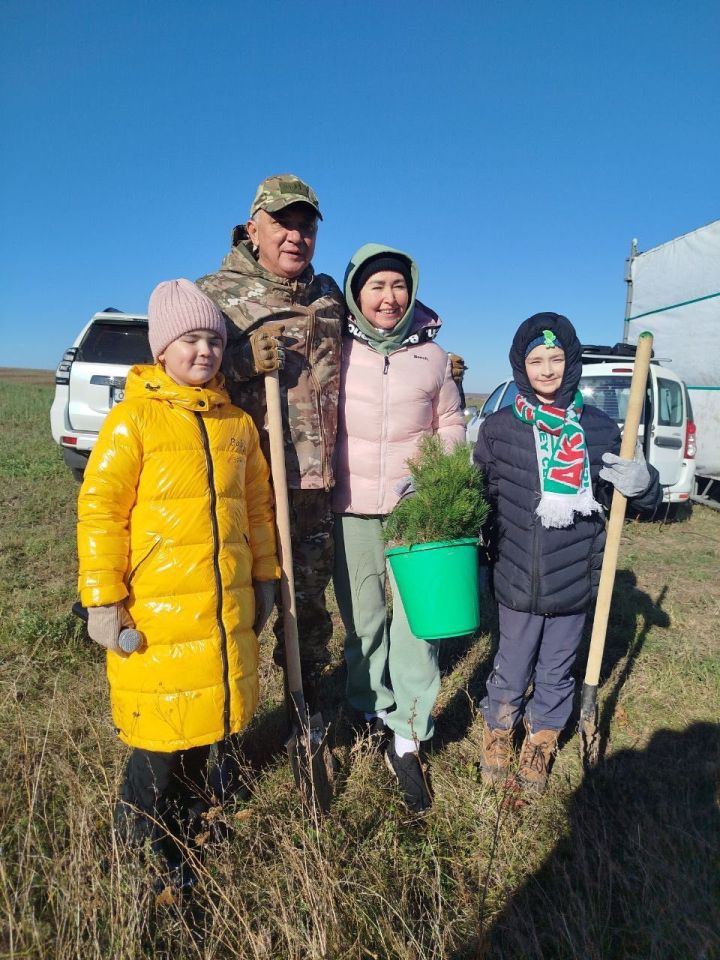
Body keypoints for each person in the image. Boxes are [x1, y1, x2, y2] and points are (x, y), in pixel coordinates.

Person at [77, 279, 279, 888]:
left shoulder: (237, 425)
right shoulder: (133, 420)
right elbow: (101, 513)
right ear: (161, 350)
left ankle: (191, 822)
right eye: (189, 340)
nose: (204, 353)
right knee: (160, 740)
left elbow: (259, 510)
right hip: (158, 619)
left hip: (219, 615)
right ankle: (142, 841)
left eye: (212, 342)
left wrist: (265, 577)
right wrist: (104, 599)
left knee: (208, 727)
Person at [473, 313, 661, 799]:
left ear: (571, 362)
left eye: (556, 358)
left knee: (557, 667)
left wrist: (645, 485)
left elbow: (634, 495)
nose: (547, 369)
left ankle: (541, 737)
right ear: (521, 365)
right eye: (536, 360)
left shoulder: (600, 429)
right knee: (511, 661)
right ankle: (498, 730)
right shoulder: (499, 428)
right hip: (515, 572)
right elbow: (482, 497)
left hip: (576, 575)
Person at [197, 174, 344, 705]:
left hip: (314, 485)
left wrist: (437, 361)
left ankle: (304, 705)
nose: (295, 236)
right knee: (238, 602)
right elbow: (181, 373)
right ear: (252, 229)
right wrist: (238, 360)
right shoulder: (215, 295)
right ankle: (222, 717)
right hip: (248, 487)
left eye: (306, 226)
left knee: (306, 604)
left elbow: (385, 320)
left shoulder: (330, 296)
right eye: (283, 223)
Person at [332, 244, 466, 813]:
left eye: (398, 286)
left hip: (416, 508)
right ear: (355, 294)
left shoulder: (434, 359)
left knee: (417, 621)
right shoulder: (333, 350)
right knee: (364, 617)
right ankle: (366, 708)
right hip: (351, 505)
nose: (389, 299)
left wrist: (433, 471)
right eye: (376, 287)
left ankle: (407, 735)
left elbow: (453, 422)